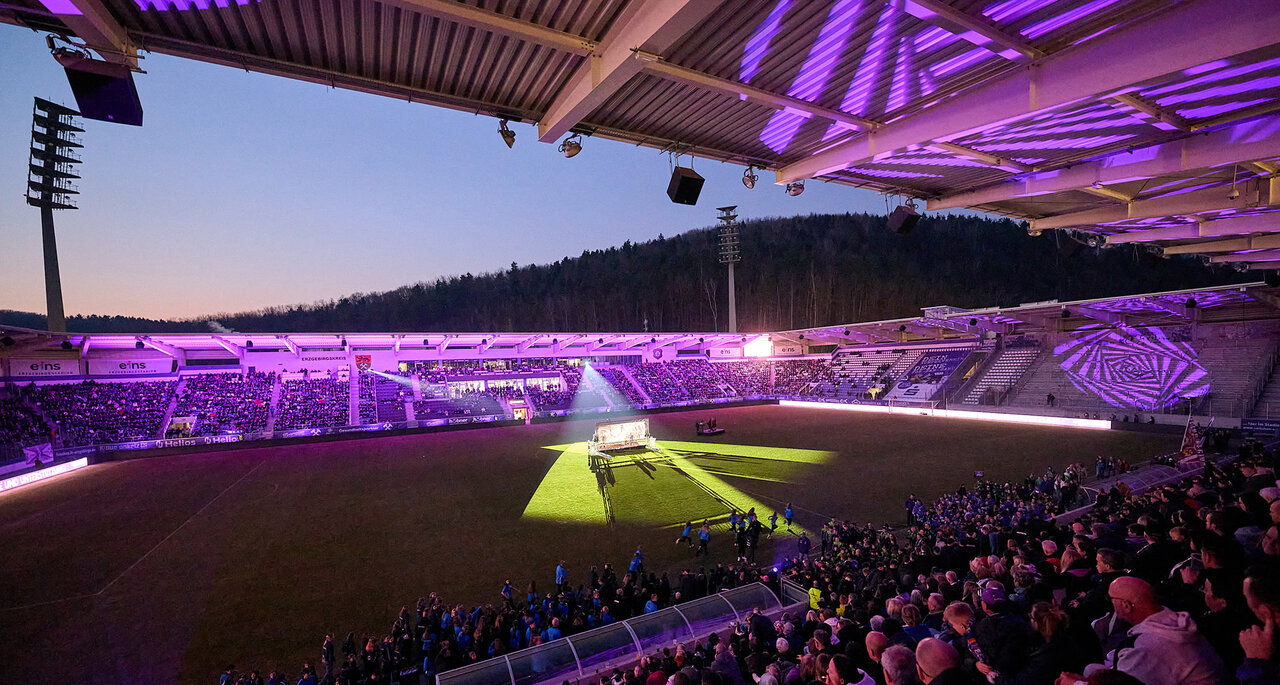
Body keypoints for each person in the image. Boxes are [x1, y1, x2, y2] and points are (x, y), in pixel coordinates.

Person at [1062, 576, 1226, 685]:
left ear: (1126, 605)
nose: (1109, 603)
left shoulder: (1147, 648)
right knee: (1090, 668)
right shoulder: (1171, 619)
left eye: (1110, 599)